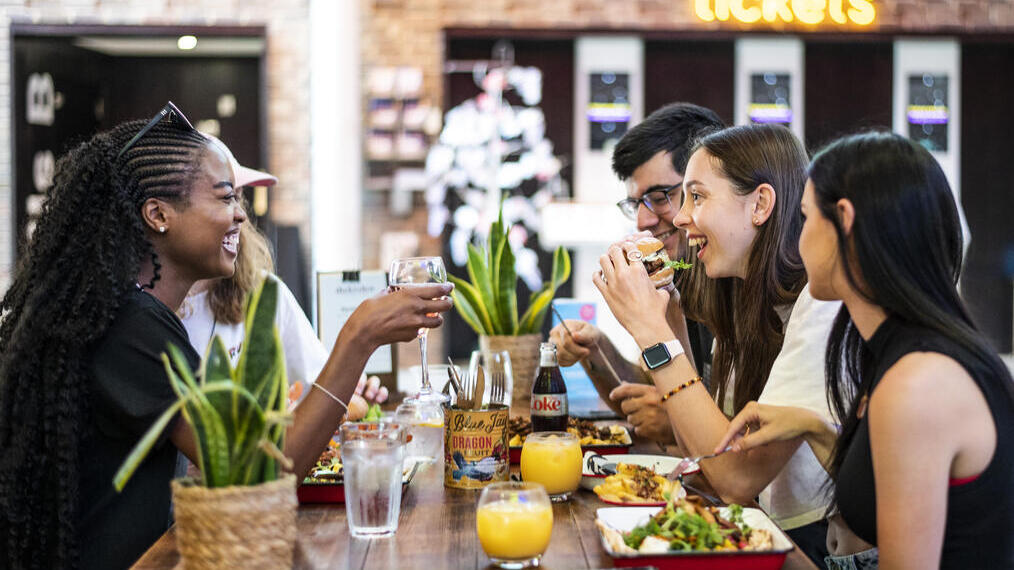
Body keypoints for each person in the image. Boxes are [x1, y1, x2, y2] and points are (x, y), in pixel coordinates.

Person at [0, 103, 452, 569]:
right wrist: (359, 337)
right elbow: (262, 471)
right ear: (158, 214)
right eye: (224, 198)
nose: (240, 216)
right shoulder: (129, 327)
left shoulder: (127, 314)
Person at [715, 132, 1014, 569]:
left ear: (844, 221)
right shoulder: (901, 350)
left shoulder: (917, 383)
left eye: (804, 219)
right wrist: (814, 428)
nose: (796, 241)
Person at [594, 123, 840, 566]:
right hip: (767, 534)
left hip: (814, 548)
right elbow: (704, 450)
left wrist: (653, 335)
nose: (681, 218)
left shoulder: (819, 306)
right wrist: (667, 314)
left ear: (760, 204)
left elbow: (735, 476)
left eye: (698, 196)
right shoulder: (743, 301)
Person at [549, 102, 723, 442]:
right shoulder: (676, 278)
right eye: (636, 204)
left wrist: (678, 420)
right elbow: (649, 391)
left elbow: (753, 438)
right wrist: (595, 348)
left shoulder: (738, 283)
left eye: (659, 198)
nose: (643, 220)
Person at [178, 138, 387, 417]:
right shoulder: (145, 312)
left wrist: (356, 389)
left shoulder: (263, 292)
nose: (239, 214)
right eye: (225, 198)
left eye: (239, 198)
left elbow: (323, 392)